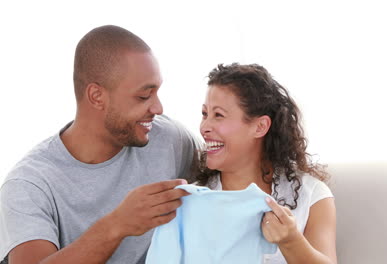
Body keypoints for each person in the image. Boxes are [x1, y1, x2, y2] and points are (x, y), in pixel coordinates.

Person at [0, 25, 197, 264]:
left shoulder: (169, 139)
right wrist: (117, 225)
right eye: (144, 96)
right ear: (96, 96)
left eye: (157, 92)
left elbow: (235, 171)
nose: (158, 108)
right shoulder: (29, 185)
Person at [195, 63, 337, 263]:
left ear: (260, 126)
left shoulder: (311, 196)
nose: (204, 127)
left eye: (218, 115)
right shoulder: (190, 201)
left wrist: (291, 241)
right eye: (204, 114)